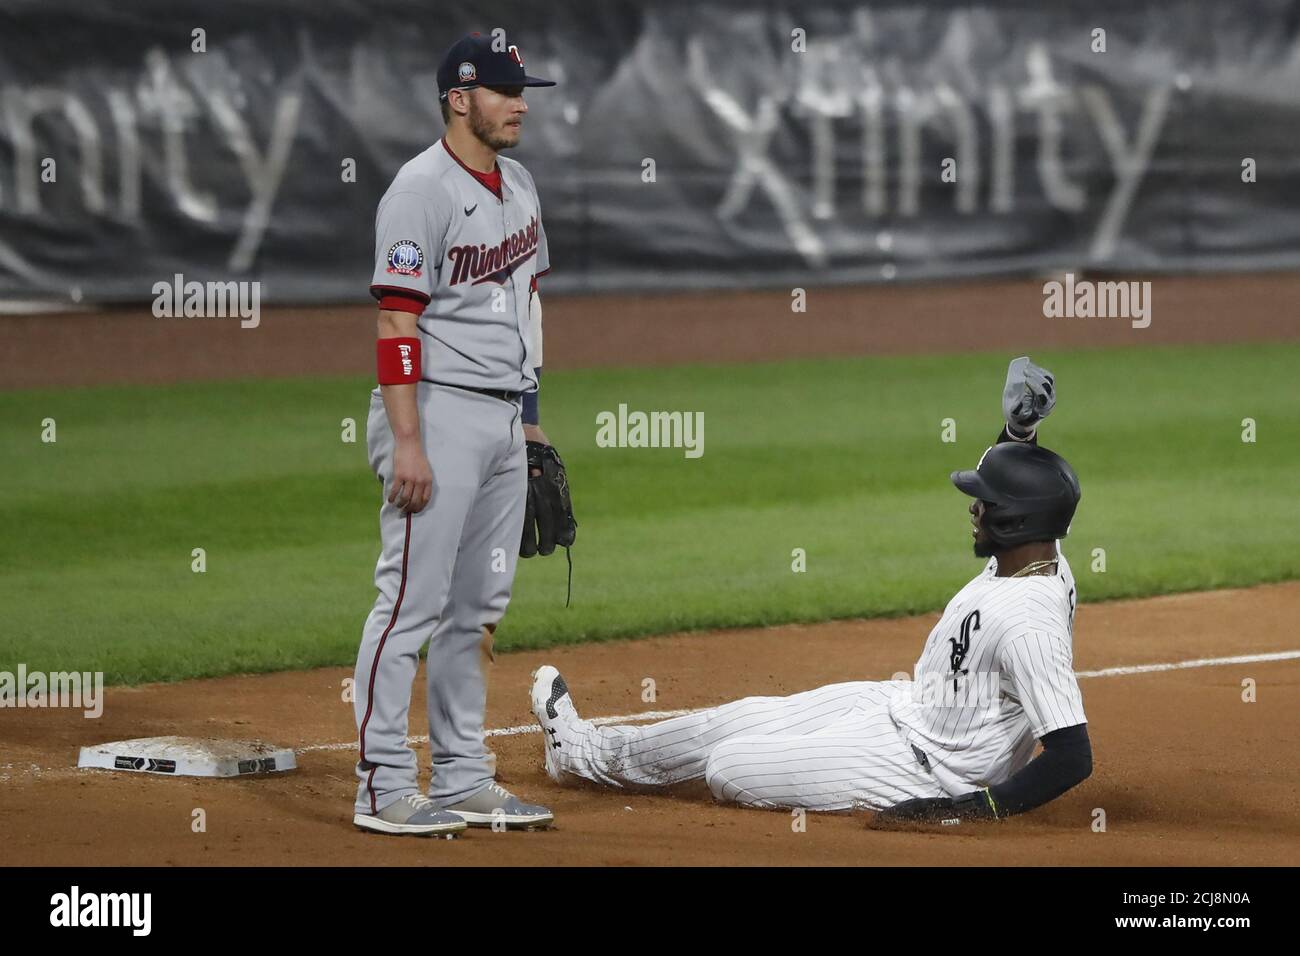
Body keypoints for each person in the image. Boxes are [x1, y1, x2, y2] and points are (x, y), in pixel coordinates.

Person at [529, 357, 1091, 824]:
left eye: (985, 504)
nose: (974, 508)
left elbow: (1071, 755)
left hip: (925, 769)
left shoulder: (1029, 623)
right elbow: (1017, 485)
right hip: (900, 705)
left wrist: (965, 810)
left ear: (1017, 521)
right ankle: (584, 755)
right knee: (737, 717)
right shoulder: (1038, 553)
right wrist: (1019, 433)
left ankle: (624, 763)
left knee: (729, 767)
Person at [353, 32, 575, 837]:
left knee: (476, 610)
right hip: (435, 410)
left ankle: (462, 775)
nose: (521, 103)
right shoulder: (419, 191)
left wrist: (530, 419)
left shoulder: (518, 185)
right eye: (507, 90)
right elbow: (395, 317)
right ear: (458, 97)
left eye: (525, 89)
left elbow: (527, 310)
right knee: (409, 600)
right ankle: (380, 784)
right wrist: (407, 440)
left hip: (500, 419)